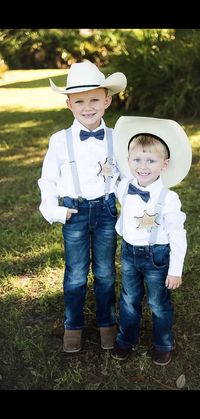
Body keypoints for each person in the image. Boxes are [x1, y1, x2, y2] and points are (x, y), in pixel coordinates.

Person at [38, 60, 127, 353]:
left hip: (105, 212)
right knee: (75, 273)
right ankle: (72, 326)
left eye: (94, 99)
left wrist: (129, 206)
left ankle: (107, 324)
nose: (87, 107)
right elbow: (48, 180)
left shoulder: (117, 138)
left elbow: (125, 178)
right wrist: (55, 210)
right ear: (69, 104)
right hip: (73, 212)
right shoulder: (59, 140)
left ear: (107, 101)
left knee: (105, 272)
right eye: (80, 101)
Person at [111, 116, 192, 365]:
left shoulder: (169, 198)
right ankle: (126, 339)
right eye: (136, 159)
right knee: (128, 298)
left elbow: (178, 234)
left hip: (156, 256)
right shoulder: (124, 187)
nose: (142, 166)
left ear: (164, 165)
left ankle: (163, 343)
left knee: (158, 302)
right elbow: (107, 176)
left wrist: (175, 270)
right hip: (128, 252)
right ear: (128, 161)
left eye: (151, 160)